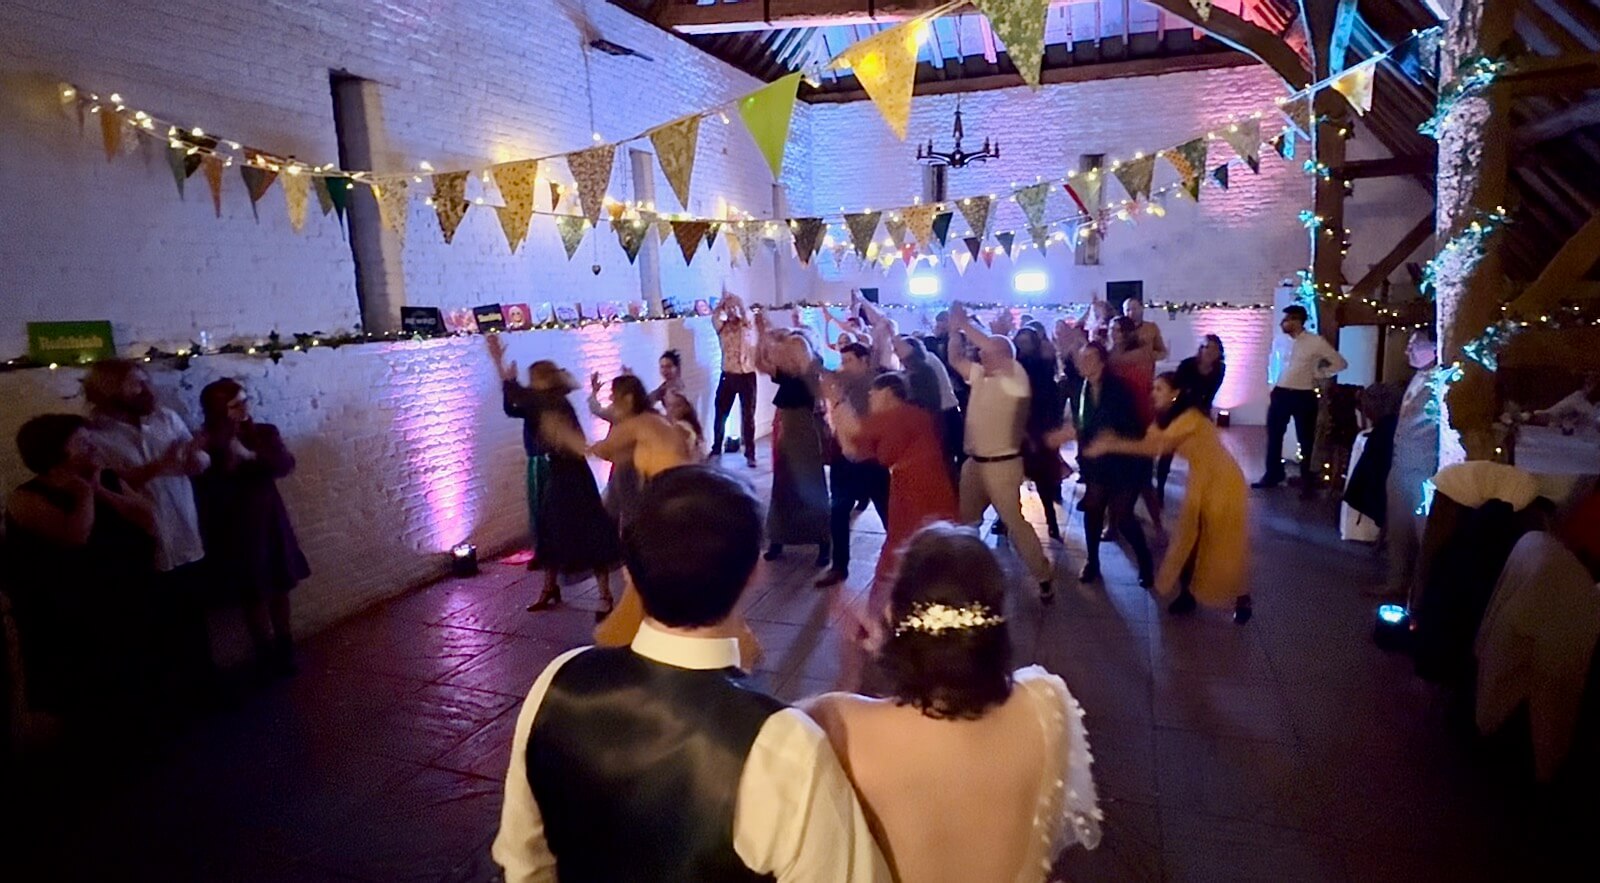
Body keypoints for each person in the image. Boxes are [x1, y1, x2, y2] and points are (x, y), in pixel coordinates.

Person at [492, 466, 891, 883]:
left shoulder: (558, 682)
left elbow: (523, 861)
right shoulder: (786, 747)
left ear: (628, 571)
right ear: (754, 571)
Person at [801, 524, 1101, 883]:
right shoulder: (1046, 702)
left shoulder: (838, 722)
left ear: (895, 617)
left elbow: (778, 736)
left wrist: (853, 669)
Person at [3, 414, 156, 717]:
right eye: (83, 443)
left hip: (118, 597)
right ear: (55, 451)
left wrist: (101, 491)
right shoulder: (25, 497)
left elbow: (148, 518)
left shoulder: (106, 478)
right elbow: (76, 535)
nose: (92, 448)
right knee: (84, 696)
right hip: (68, 612)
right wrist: (85, 494)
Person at [82, 359, 215, 693]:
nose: (146, 389)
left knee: (195, 621)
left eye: (145, 380)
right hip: (143, 542)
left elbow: (196, 462)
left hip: (183, 531)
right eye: (135, 383)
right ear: (109, 390)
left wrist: (196, 458)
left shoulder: (165, 418)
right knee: (158, 628)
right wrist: (163, 464)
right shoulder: (95, 435)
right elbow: (115, 482)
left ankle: (206, 689)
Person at [1082, 372, 1253, 623]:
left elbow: (1152, 448)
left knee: (1222, 542)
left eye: (1159, 389)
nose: (1153, 393)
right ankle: (1188, 594)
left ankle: (1242, 597)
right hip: (1202, 479)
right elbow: (1149, 441)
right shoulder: (1164, 419)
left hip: (1224, 483)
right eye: (1153, 388)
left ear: (1175, 393)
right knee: (1188, 539)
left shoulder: (1190, 418)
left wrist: (1112, 444)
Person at [490, 338, 621, 617]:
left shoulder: (549, 401)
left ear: (543, 380)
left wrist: (500, 365)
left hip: (571, 473)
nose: (530, 382)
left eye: (533, 378)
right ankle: (552, 589)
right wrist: (505, 375)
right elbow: (513, 407)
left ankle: (604, 595)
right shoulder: (548, 401)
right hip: (564, 471)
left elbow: (517, 401)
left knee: (587, 528)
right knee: (552, 527)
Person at [193, 379, 310, 677]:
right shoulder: (207, 440)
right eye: (234, 404)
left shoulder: (263, 432)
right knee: (253, 590)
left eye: (244, 400)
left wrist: (251, 456)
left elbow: (283, 464)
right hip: (235, 523)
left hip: (268, 516)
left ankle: (285, 647)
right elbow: (207, 484)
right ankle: (265, 652)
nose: (244, 407)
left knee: (280, 584)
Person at [945, 303, 1055, 602]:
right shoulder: (982, 375)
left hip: (1002, 464)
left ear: (1003, 356)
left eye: (985, 351)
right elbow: (954, 358)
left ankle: (1043, 576)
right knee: (967, 523)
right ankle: (967, 575)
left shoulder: (1015, 377)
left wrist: (965, 323)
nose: (979, 354)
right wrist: (955, 330)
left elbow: (990, 345)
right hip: (975, 464)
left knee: (1015, 523)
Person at [832, 373, 959, 605]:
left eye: (875, 391)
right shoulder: (897, 417)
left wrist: (838, 402)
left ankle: (894, 607)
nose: (870, 394)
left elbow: (855, 432)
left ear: (889, 393)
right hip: (907, 486)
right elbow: (853, 451)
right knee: (909, 542)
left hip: (923, 488)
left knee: (914, 542)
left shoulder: (904, 414)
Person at [1062, 343, 1155, 588]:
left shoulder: (1119, 389)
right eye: (1081, 358)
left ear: (1102, 362)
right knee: (1093, 510)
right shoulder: (1080, 387)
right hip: (1097, 463)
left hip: (1125, 462)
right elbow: (1082, 424)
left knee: (1123, 517)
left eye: (1090, 358)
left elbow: (1134, 428)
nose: (1084, 363)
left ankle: (1145, 563)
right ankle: (1092, 562)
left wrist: (1110, 440)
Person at [755, 311, 832, 567]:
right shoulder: (789, 372)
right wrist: (762, 334)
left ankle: (823, 541)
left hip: (804, 428)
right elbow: (762, 363)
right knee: (785, 485)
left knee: (810, 483)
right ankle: (779, 537)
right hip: (788, 429)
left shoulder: (811, 369)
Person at [816, 342, 889, 588]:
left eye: (849, 361)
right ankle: (839, 566)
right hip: (843, 459)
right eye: (842, 360)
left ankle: (902, 563)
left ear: (864, 361)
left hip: (871, 460)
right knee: (838, 512)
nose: (843, 366)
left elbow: (865, 428)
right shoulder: (843, 385)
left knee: (887, 512)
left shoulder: (876, 387)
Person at [1256, 304, 1347, 495]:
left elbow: (1340, 362)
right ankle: (1273, 474)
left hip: (1303, 394)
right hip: (1281, 393)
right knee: (1274, 435)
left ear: (1297, 321)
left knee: (1305, 439)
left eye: (1288, 319)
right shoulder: (1280, 340)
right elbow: (1273, 362)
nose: (1283, 323)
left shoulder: (1316, 342)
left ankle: (1308, 482)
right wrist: (1272, 385)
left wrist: (1319, 373)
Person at [1385, 328, 1440, 600]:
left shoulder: (1441, 381)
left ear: (1434, 347)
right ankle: (1396, 581)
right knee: (1397, 525)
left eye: (1414, 345)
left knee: (1424, 531)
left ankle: (1422, 594)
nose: (1407, 351)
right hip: (1402, 460)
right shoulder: (1418, 376)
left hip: (1424, 464)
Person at [1159, 334, 1227, 495]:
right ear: (1200, 350)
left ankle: (1199, 488)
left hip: (1199, 410)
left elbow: (1210, 393)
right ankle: (1160, 488)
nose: (1208, 351)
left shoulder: (1219, 369)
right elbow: (1177, 389)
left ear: (1219, 352)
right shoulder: (1187, 365)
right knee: (1169, 450)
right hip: (1179, 409)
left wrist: (1204, 415)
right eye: (1205, 347)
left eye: (1213, 348)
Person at [895, 334, 963, 482]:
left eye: (900, 347)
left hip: (943, 415)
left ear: (912, 348)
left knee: (945, 459)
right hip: (946, 413)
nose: (896, 351)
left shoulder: (924, 365)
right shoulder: (923, 362)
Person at [711, 293, 760, 466]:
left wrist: (738, 301)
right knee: (721, 412)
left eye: (734, 308)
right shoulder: (722, 327)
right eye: (729, 308)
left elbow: (747, 314)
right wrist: (722, 303)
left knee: (748, 416)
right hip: (728, 375)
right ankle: (716, 447)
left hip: (747, 375)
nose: (732, 311)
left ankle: (750, 453)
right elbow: (715, 317)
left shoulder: (747, 324)